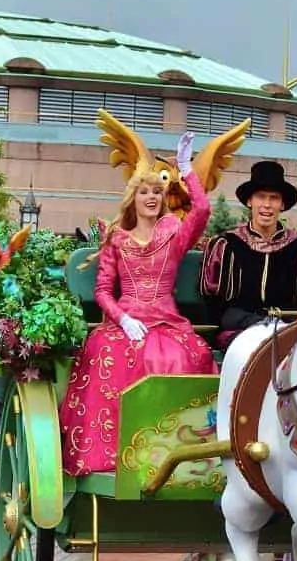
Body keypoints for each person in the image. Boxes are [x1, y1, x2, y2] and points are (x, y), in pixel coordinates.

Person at [60, 132, 218, 476]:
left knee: (185, 354)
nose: (151, 197)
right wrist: (123, 319)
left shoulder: (173, 235)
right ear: (133, 198)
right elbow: (102, 290)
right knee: (107, 353)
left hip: (166, 323)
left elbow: (202, 209)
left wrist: (186, 168)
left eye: (157, 193)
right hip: (125, 322)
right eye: (144, 191)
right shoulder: (117, 239)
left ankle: (178, 455)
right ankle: (119, 456)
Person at [199, 161, 297, 349]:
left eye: (274, 198)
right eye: (260, 197)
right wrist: (253, 323)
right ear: (249, 201)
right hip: (240, 331)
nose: (267, 205)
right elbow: (215, 306)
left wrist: (282, 324)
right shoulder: (227, 246)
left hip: (285, 330)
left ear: (282, 204)